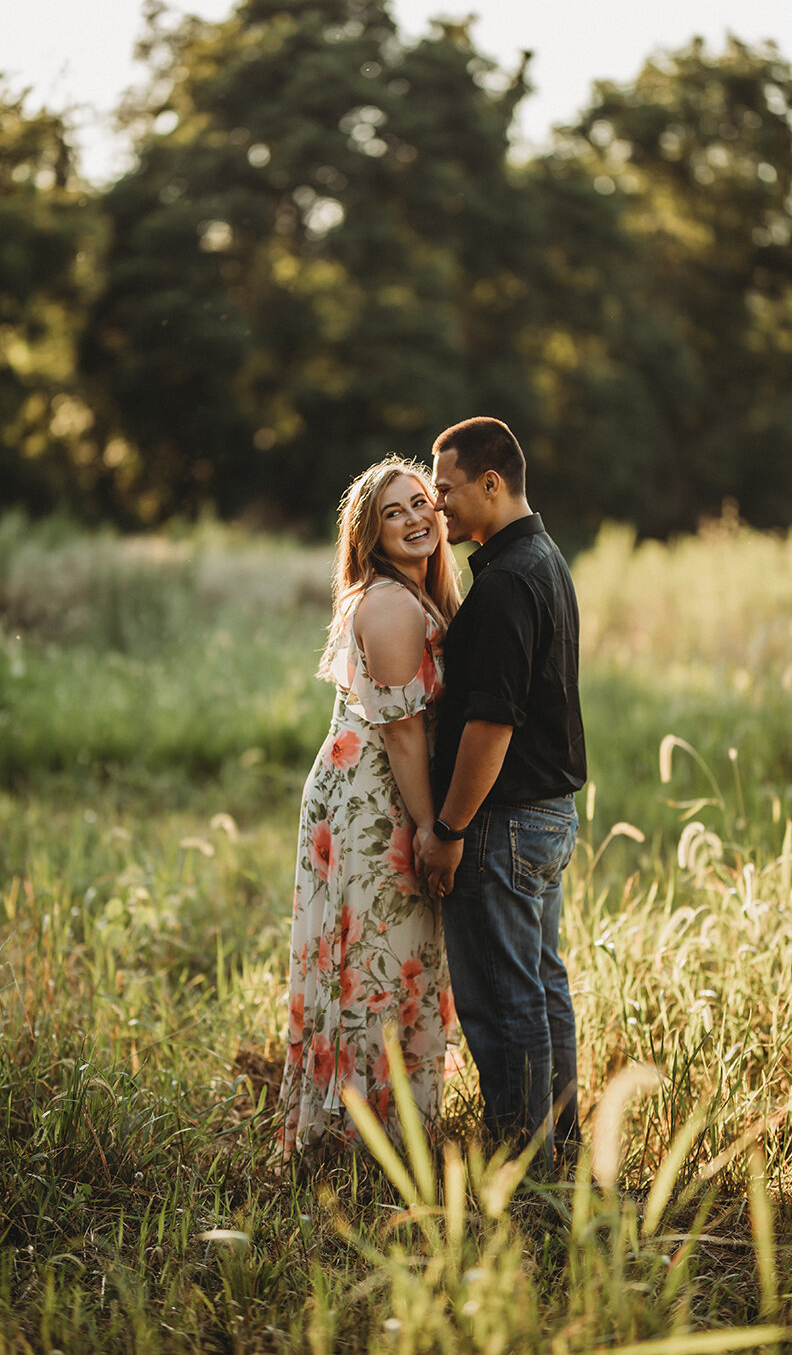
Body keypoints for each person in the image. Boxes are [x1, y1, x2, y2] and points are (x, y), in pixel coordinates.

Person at [277, 458, 462, 1162]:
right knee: (374, 958)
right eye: (395, 512)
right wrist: (429, 829)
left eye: (423, 503)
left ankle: (389, 1130)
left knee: (393, 956)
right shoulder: (388, 602)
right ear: (370, 535)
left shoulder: (422, 595)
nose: (417, 519)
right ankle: (360, 1141)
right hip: (374, 801)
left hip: (388, 789)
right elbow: (404, 730)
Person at [414, 417, 587, 1167]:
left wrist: (448, 828)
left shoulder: (507, 584)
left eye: (446, 491)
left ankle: (524, 1164)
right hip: (544, 817)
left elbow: (491, 726)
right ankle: (560, 1146)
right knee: (541, 985)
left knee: (503, 998)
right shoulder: (541, 560)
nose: (435, 506)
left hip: (505, 822)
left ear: (493, 483)